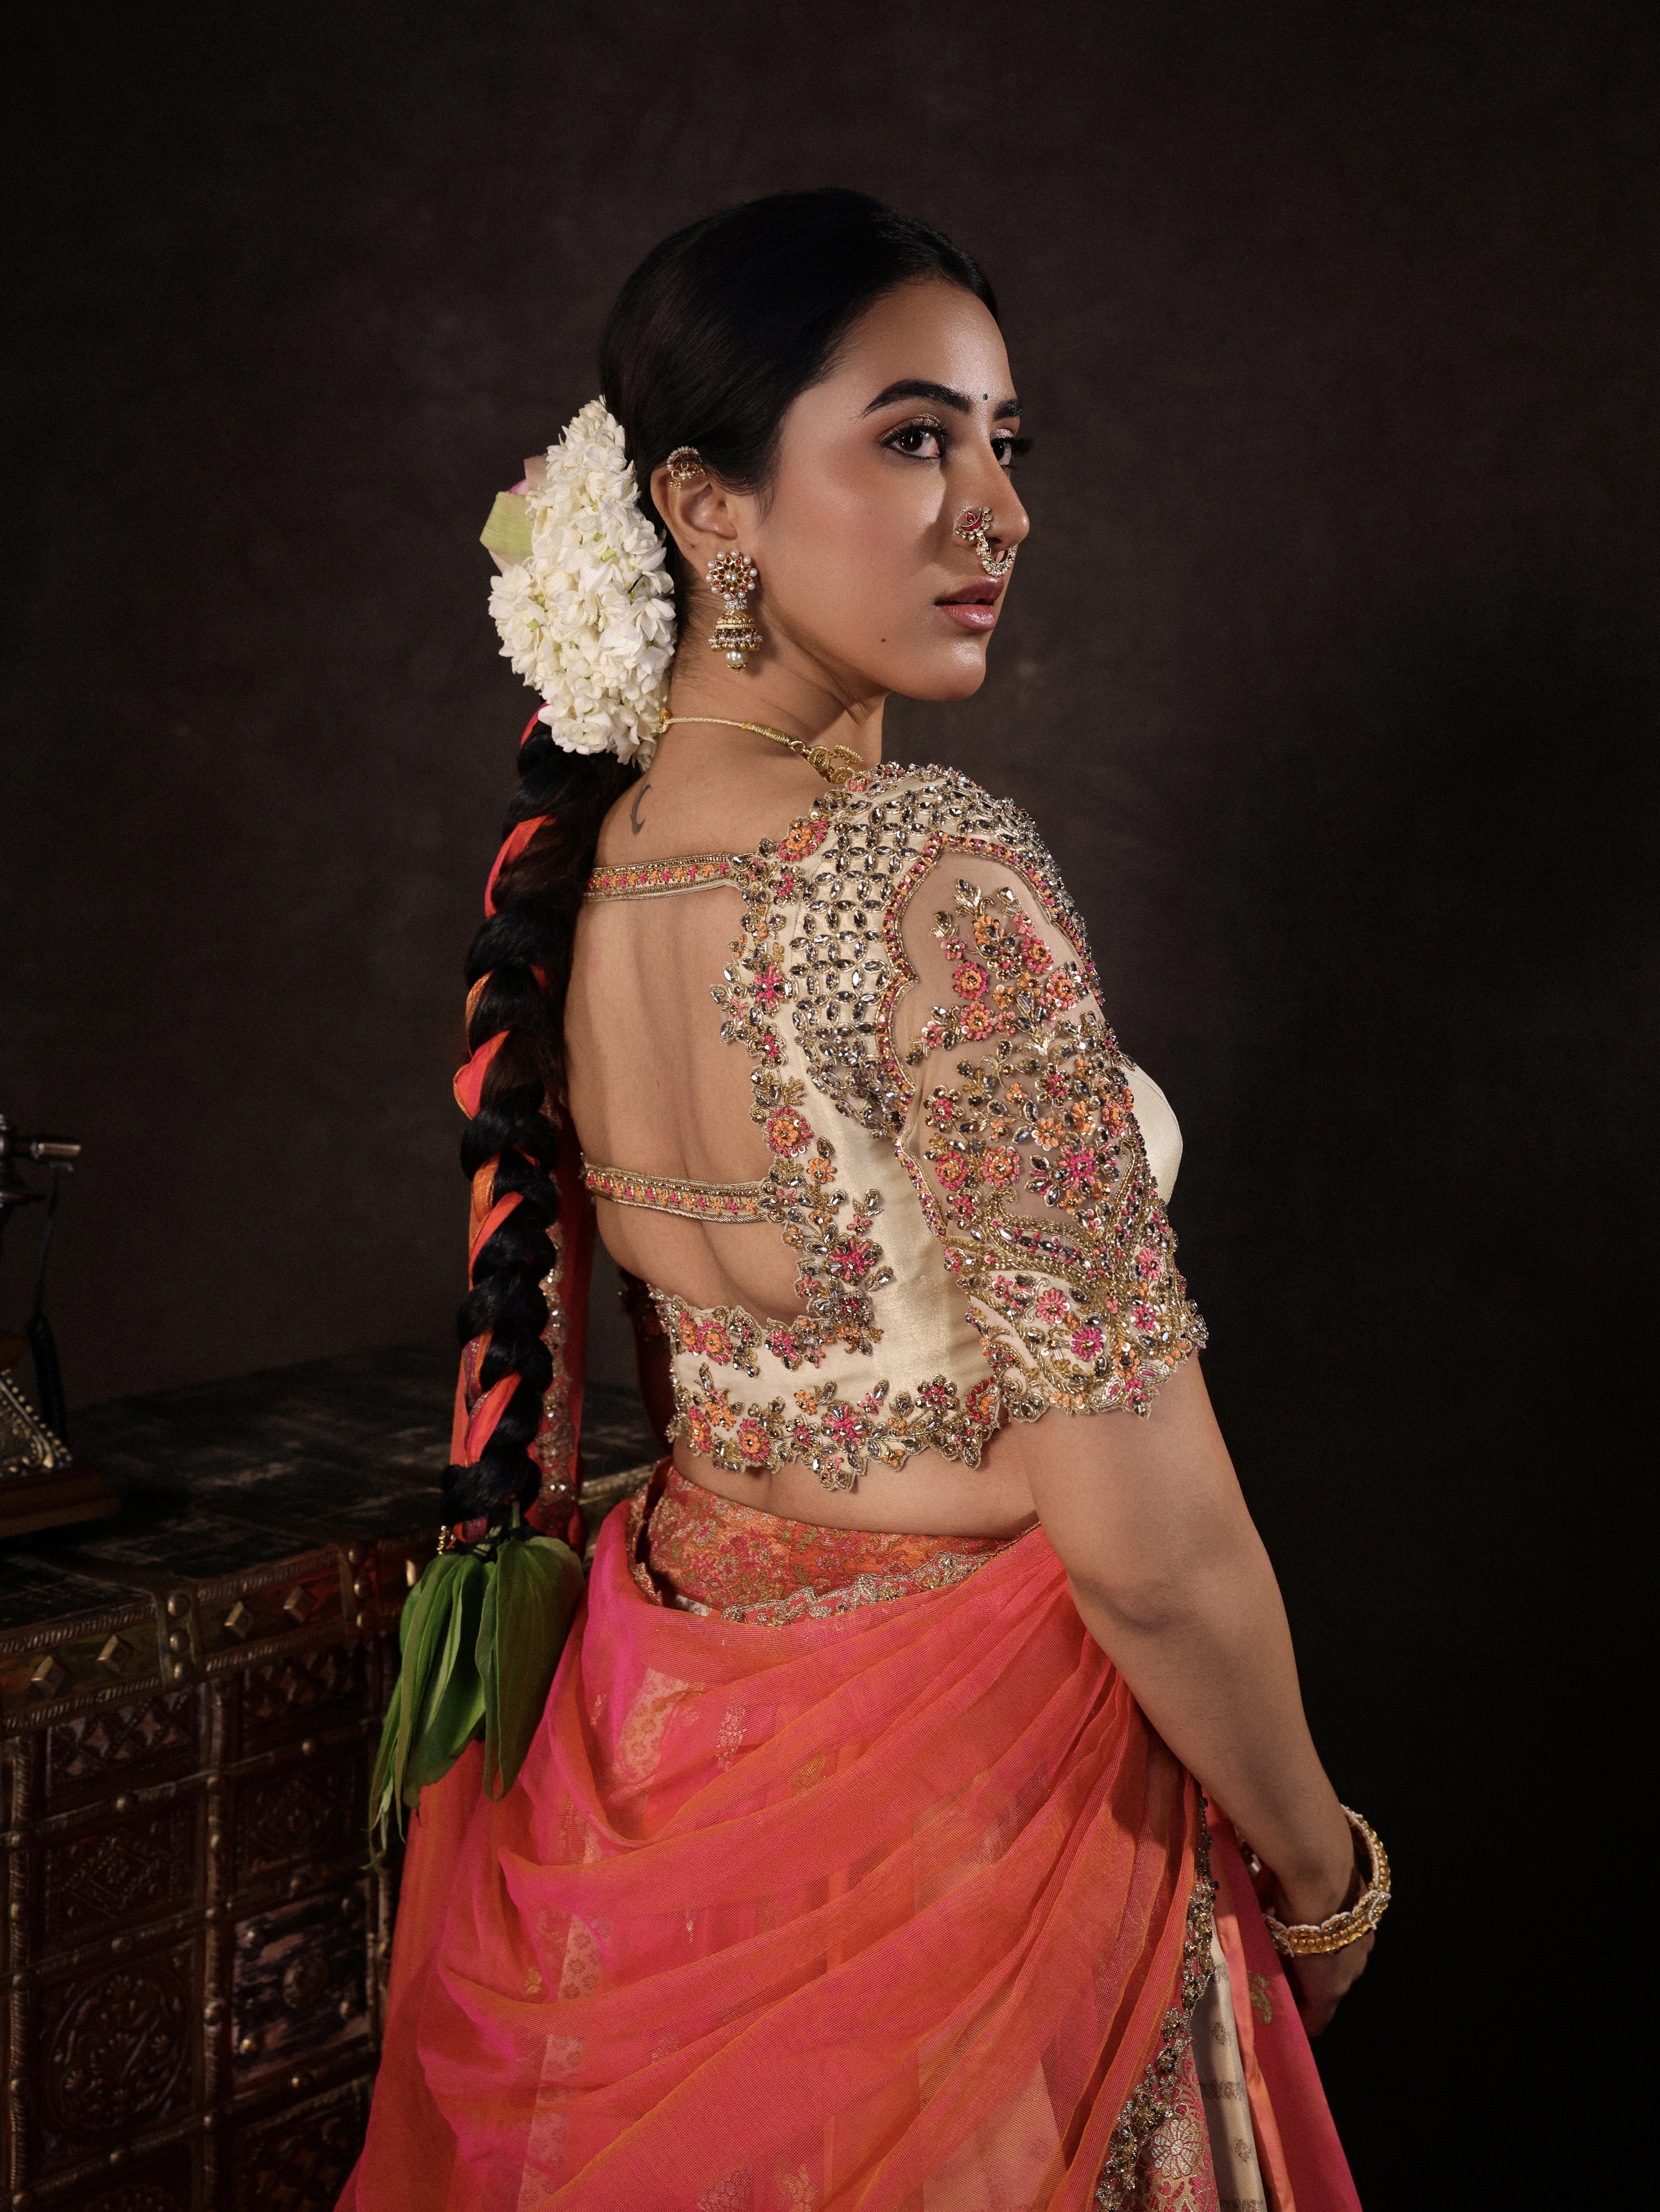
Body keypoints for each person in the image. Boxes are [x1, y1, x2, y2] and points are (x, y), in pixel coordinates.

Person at [343, 188, 1384, 2212]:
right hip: (980, 1802)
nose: (997, 511)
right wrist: (1326, 1869)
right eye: (915, 438)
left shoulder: (584, 876)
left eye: (1010, 443)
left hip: (658, 1754)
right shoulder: (938, 882)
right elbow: (1147, 1534)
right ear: (707, 509)